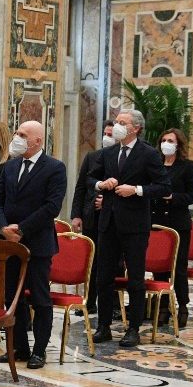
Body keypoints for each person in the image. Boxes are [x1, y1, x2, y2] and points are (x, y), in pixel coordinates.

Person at [90, 109, 171, 348]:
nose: (117, 126)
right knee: (103, 277)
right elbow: (89, 178)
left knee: (135, 278)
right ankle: (103, 325)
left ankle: (133, 328)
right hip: (108, 223)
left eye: (122, 122)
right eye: (116, 122)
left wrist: (135, 190)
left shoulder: (148, 154)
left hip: (135, 225)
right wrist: (100, 184)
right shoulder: (108, 152)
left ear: (135, 128)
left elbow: (163, 186)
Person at [0, 121, 67, 369]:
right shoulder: (10, 166)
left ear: (37, 141)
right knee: (12, 296)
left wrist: (21, 229)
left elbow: (51, 207)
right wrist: (3, 228)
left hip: (37, 243)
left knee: (40, 298)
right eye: (16, 133)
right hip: (9, 243)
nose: (17, 137)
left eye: (22, 135)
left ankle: (39, 350)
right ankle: (19, 346)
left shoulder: (55, 168)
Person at [150, 128, 193, 328]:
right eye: (164, 140)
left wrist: (173, 197)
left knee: (178, 267)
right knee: (159, 267)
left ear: (179, 144)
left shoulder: (187, 167)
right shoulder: (155, 166)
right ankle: (162, 307)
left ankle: (183, 306)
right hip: (157, 223)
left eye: (170, 140)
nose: (166, 143)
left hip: (178, 224)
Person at [70, 120, 115, 315]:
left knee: (111, 262)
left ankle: (112, 304)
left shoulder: (121, 160)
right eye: (105, 133)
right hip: (91, 217)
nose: (107, 137)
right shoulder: (92, 157)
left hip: (113, 220)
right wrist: (76, 215)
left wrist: (107, 204)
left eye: (111, 134)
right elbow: (81, 187)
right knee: (92, 261)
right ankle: (89, 301)